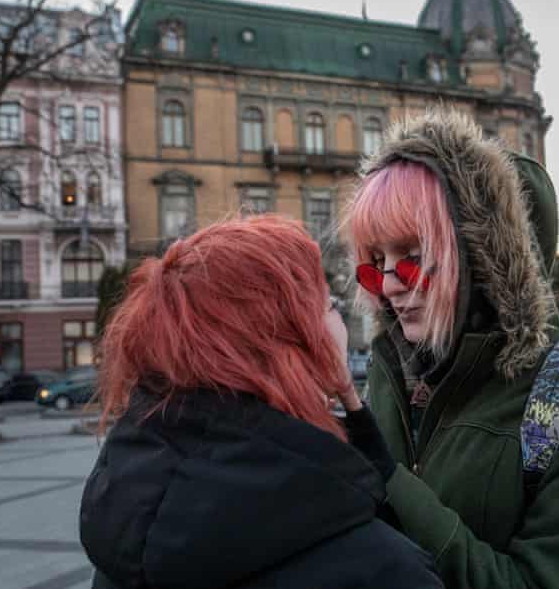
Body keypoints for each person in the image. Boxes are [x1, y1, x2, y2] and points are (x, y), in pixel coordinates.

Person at [337, 110, 559, 589]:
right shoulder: (390, 371)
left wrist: (390, 480)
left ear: (485, 262)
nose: (390, 286)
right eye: (376, 263)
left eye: (413, 258)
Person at [79, 216, 442, 589]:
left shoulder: (123, 539)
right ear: (288, 344)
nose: (340, 325)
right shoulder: (384, 570)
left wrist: (353, 409)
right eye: (329, 306)